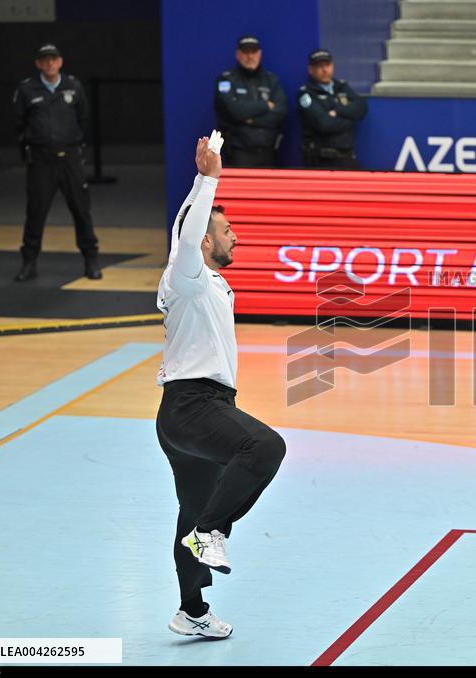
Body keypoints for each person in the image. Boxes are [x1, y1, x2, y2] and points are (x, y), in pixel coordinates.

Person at [156, 133, 287, 638]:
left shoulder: (205, 281)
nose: (237, 237)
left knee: (190, 510)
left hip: (183, 413)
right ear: (205, 242)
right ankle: (212, 533)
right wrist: (210, 177)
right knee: (265, 446)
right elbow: (186, 237)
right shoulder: (185, 275)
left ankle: (191, 611)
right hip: (193, 404)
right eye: (228, 230)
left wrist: (197, 180)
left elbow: (184, 228)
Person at [12, 43, 101, 282]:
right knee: (35, 213)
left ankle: (90, 259)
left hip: (70, 159)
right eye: (45, 60)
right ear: (38, 64)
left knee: (81, 210)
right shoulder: (27, 90)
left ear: (60, 62)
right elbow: (19, 124)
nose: (50, 63)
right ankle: (29, 262)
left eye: (54, 59)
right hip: (41, 161)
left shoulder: (73, 86)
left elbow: (83, 120)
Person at [214, 35, 288, 168]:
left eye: (253, 52)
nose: (250, 56)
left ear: (260, 54)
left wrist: (250, 119)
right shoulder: (226, 80)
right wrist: (266, 105)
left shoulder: (271, 80)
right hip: (239, 152)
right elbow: (234, 110)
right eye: (245, 52)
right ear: (238, 54)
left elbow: (281, 113)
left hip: (269, 152)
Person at [297, 49, 368, 169]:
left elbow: (361, 108)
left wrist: (337, 111)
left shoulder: (342, 86)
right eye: (320, 66)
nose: (325, 70)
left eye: (328, 65)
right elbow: (324, 124)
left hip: (348, 157)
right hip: (322, 161)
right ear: (311, 70)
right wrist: (350, 119)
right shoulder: (306, 94)